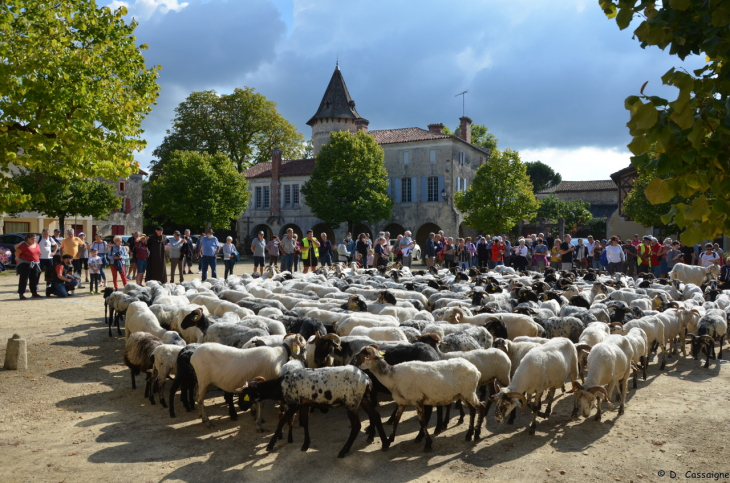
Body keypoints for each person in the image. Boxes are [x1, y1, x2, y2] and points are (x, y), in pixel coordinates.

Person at [14, 233, 42, 300]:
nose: (34, 240)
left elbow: (38, 253)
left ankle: (34, 293)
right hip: (25, 264)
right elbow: (17, 254)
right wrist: (23, 259)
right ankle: (21, 293)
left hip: (35, 263)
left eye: (35, 238)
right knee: (24, 279)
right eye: (32, 238)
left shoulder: (37, 245)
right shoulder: (23, 245)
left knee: (34, 279)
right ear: (28, 239)